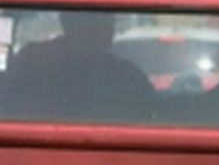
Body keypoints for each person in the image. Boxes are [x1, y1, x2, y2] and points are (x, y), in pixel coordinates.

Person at [4, 9, 153, 120]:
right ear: (68, 24)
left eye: (107, 21)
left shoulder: (126, 76)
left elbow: (151, 115)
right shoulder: (34, 62)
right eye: (93, 23)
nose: (105, 29)